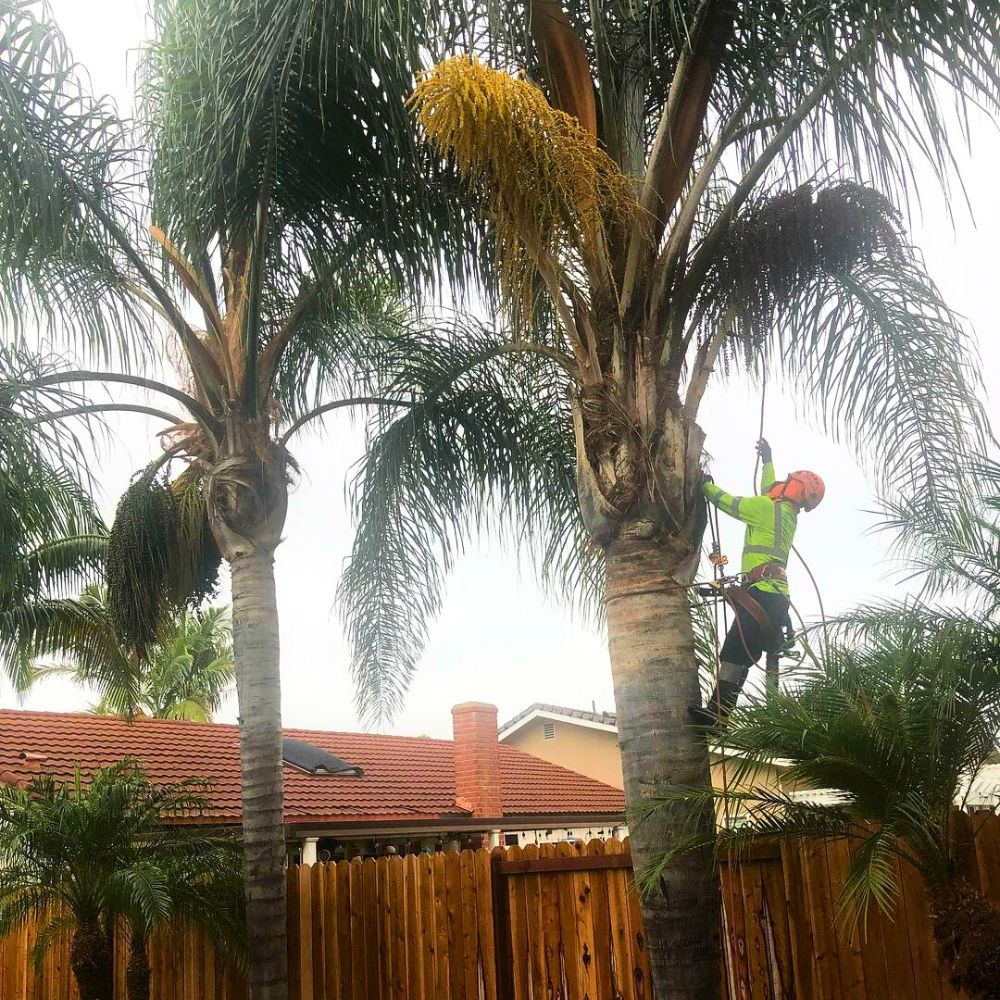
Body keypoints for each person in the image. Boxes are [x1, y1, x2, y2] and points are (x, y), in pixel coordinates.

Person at [688, 438, 824, 726]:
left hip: (762, 593)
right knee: (743, 652)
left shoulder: (765, 508)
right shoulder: (786, 514)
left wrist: (704, 486)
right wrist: (767, 461)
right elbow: (768, 490)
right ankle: (721, 713)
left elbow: (728, 503)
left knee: (735, 649)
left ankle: (719, 714)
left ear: (792, 487)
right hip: (775, 600)